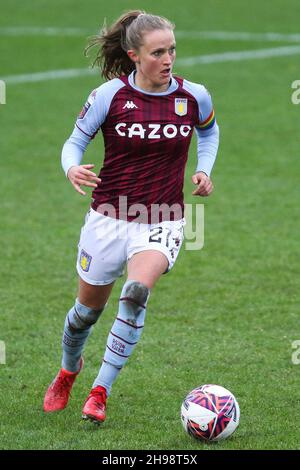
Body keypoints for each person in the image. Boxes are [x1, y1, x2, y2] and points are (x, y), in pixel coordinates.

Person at [43, 10, 219, 424]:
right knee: (85, 313)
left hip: (163, 217)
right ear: (134, 55)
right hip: (107, 218)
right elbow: (74, 141)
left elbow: (209, 131)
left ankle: (100, 391)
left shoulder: (193, 96)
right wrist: (72, 167)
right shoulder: (109, 96)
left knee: (136, 293)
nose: (168, 59)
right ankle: (70, 370)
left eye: (172, 50)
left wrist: (204, 169)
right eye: (157, 52)